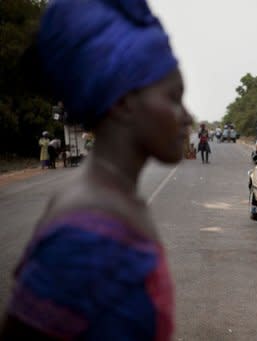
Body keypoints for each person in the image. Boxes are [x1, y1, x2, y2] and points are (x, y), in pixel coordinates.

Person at [0, 1, 192, 340]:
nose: (187, 118)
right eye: (173, 97)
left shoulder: (113, 199)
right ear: (122, 103)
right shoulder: (88, 233)